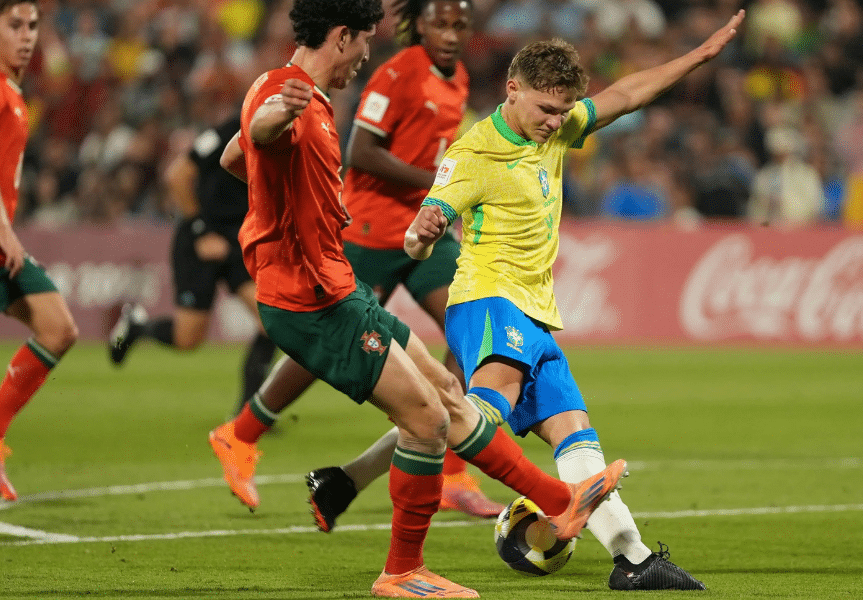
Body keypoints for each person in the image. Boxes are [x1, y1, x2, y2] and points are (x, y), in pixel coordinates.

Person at [208, 1, 625, 596]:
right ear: (343, 36)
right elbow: (259, 134)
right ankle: (404, 569)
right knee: (428, 419)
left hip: (338, 286)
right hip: (314, 293)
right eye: (363, 42)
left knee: (448, 393)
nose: (365, 55)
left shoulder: (295, 91)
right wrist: (275, 125)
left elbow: (235, 157)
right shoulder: (290, 96)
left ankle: (559, 501)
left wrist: (283, 195)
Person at [400, 13, 745, 591]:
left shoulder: (556, 129)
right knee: (476, 411)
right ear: (512, 89)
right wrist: (424, 231)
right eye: (546, 110)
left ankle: (633, 560)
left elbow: (627, 95)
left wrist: (695, 57)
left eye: (563, 112)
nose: (555, 122)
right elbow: (418, 235)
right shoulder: (474, 153)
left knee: (574, 432)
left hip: (535, 313)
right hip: (489, 300)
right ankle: (386, 478)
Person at [212, 0, 505, 521]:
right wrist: (441, 182)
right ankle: (243, 431)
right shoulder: (395, 74)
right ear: (418, 24)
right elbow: (361, 152)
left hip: (424, 231)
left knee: (469, 328)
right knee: (330, 337)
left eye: (461, 25)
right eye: (440, 23)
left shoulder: (457, 78)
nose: (451, 34)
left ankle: (453, 471)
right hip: (370, 229)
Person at [108, 113, 276, 417]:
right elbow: (177, 176)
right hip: (200, 241)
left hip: (238, 241)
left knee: (272, 323)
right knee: (188, 339)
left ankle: (248, 414)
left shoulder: (280, 134)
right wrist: (202, 231)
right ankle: (138, 328)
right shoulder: (228, 131)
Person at [0, 0, 79, 502]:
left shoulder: (12, 91)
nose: (27, 35)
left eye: (32, 25)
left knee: (58, 328)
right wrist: (4, 230)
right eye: (14, 25)